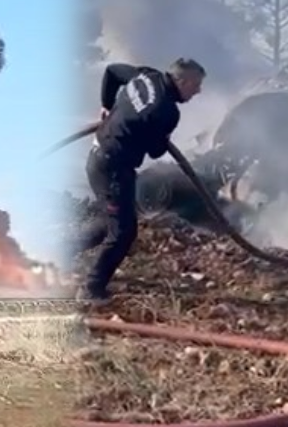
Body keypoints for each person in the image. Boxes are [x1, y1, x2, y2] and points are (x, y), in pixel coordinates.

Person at [76, 57, 206, 302]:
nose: (198, 91)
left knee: (111, 223)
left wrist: (107, 105)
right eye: (196, 85)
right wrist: (160, 135)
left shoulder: (147, 76)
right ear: (182, 81)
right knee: (124, 232)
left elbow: (112, 71)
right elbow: (155, 151)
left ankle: (59, 254)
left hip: (98, 156)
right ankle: (90, 290)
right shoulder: (166, 111)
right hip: (112, 168)